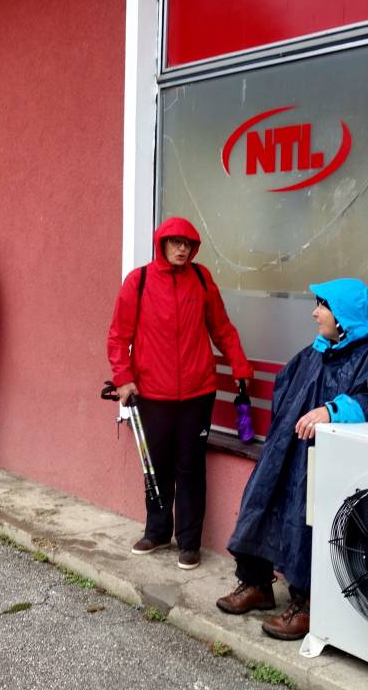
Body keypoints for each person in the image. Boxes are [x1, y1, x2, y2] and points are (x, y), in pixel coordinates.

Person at [217, 278, 368, 640]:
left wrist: (335, 409)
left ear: (342, 314)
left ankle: (309, 604)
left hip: (328, 464)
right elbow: (287, 387)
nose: (315, 313)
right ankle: (256, 584)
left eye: (323, 306)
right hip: (288, 455)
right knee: (260, 505)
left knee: (309, 523)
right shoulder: (317, 352)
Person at [107, 217, 254, 571]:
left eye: (187, 244)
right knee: (156, 466)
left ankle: (189, 542)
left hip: (197, 392)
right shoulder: (139, 281)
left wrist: (240, 367)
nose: (182, 249)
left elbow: (222, 328)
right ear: (162, 244)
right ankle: (157, 532)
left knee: (190, 468)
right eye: (175, 242)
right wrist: (123, 379)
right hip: (152, 393)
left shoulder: (201, 280)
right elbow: (118, 336)